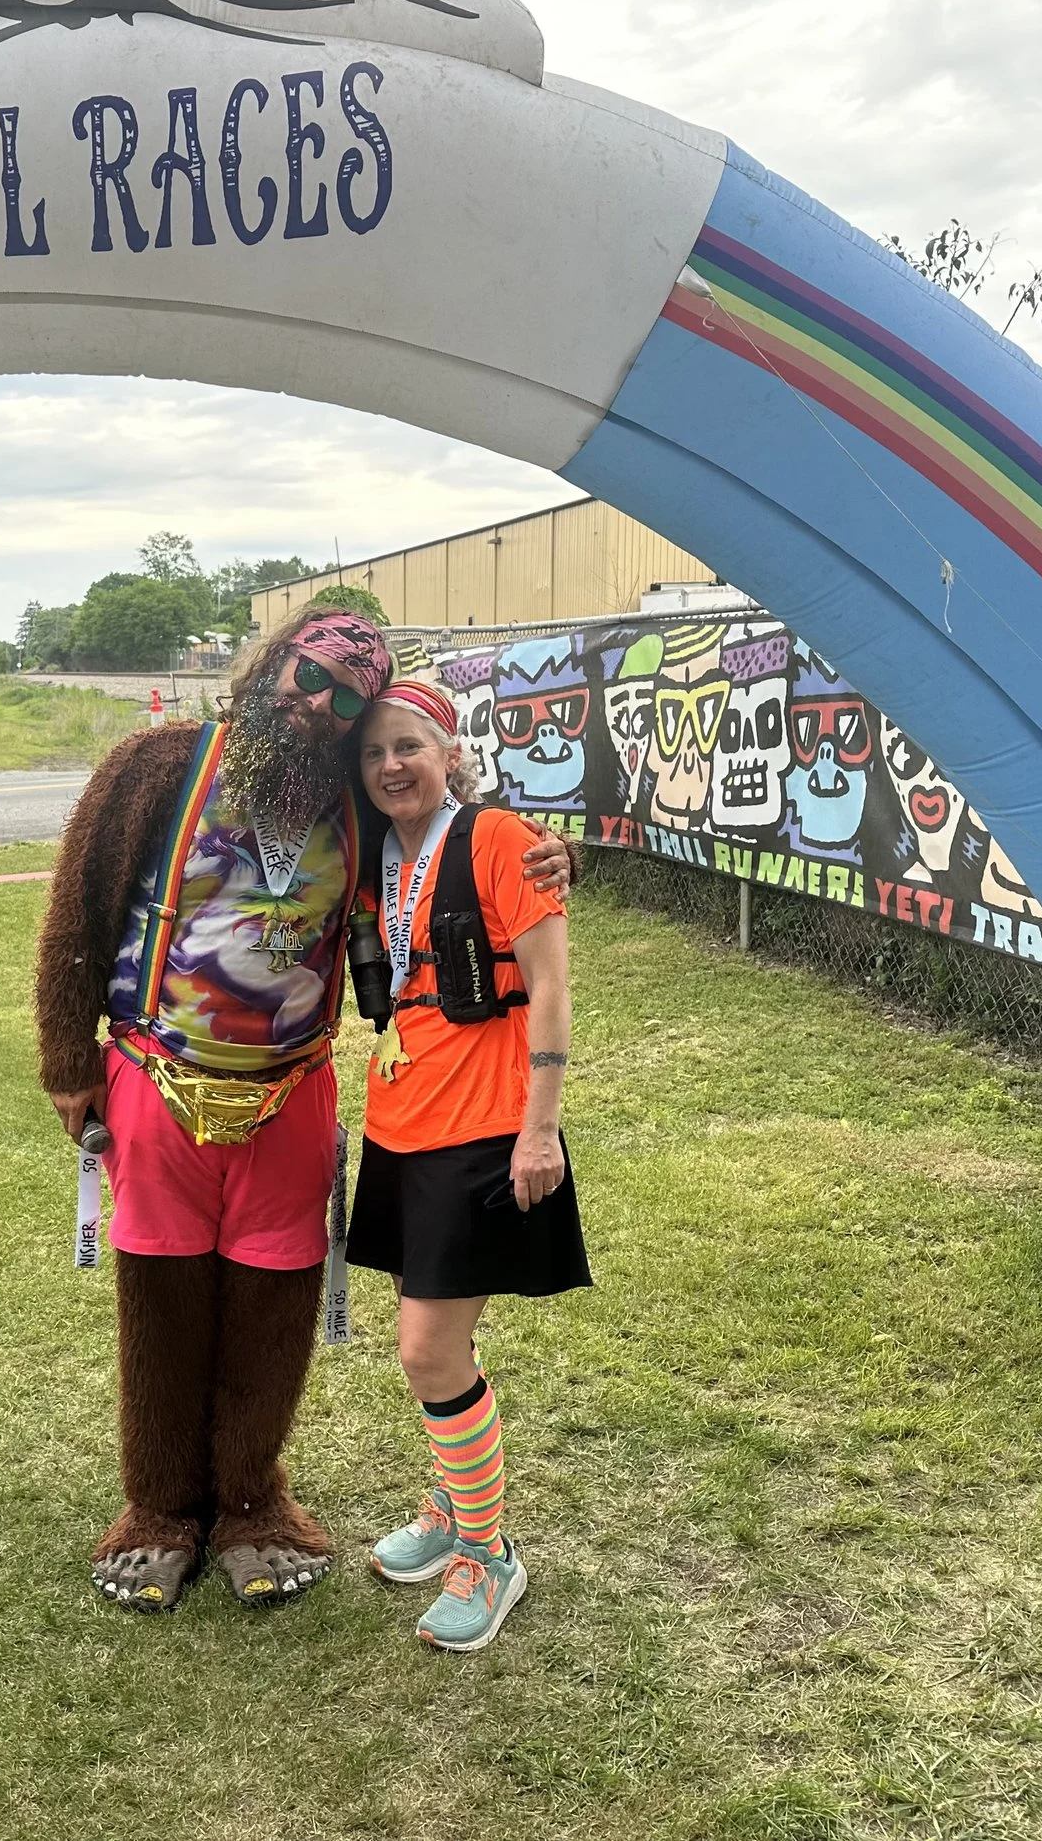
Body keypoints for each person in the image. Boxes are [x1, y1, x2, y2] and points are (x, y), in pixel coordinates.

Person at [33, 611, 576, 1614]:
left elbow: (446, 823)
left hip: (290, 1091)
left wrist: (546, 856)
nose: (315, 703)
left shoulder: (349, 797)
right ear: (271, 661)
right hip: (159, 1083)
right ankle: (158, 1510)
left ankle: (249, 1502)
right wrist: (70, 1064)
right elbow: (77, 909)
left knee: (272, 1303)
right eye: (308, 674)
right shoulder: (154, 767)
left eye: (343, 697)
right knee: (161, 1296)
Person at [346, 679, 589, 1653]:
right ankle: (451, 1505)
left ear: (450, 752)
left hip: (483, 1127)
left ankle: (487, 1553)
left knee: (425, 1349)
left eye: (408, 746)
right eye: (372, 754)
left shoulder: (496, 839)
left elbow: (550, 987)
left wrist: (541, 1129)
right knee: (432, 1333)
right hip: (400, 1120)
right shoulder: (377, 855)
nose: (390, 766)